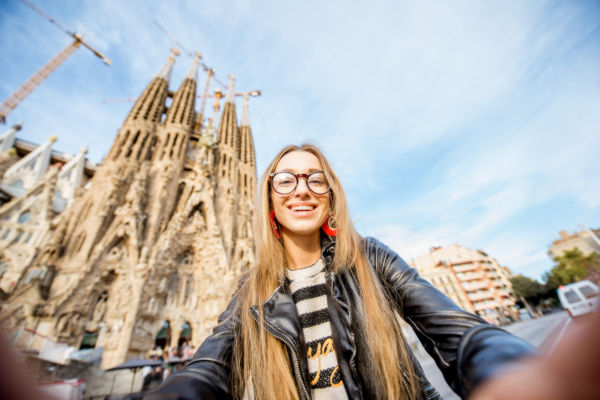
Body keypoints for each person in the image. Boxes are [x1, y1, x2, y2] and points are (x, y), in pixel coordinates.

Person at [146, 144, 537, 400]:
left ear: (331, 196)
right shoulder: (252, 290)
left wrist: (512, 370)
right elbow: (212, 365)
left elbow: (460, 332)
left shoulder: (369, 258)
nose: (302, 189)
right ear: (269, 199)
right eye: (285, 180)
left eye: (316, 179)